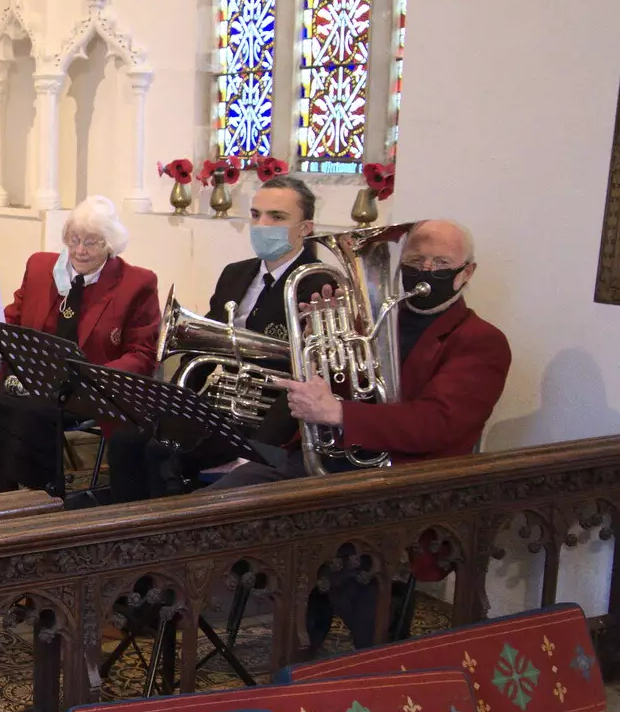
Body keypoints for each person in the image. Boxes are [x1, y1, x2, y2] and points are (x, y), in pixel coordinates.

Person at [208, 218, 511, 650]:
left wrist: (338, 411)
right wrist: (317, 344)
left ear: (467, 272)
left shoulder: (481, 341)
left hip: (401, 481)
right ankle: (293, 635)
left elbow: (438, 424)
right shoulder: (365, 319)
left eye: (441, 262)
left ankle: (378, 659)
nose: (426, 270)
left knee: (338, 547)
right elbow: (338, 387)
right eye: (415, 260)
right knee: (216, 505)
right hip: (328, 462)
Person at [106, 175, 332, 502]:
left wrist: (260, 449)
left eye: (277, 217)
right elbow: (202, 346)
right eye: (256, 215)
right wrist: (177, 403)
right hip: (217, 405)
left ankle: (167, 533)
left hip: (264, 420)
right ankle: (121, 528)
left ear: (306, 228)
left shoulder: (318, 285)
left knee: (162, 452)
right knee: (126, 439)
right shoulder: (235, 274)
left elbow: (309, 374)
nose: (262, 225)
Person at [0, 196, 161, 492]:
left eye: (92, 242)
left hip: (88, 390)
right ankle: (6, 494)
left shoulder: (136, 283)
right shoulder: (40, 268)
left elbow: (142, 354)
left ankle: (42, 496)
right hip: (33, 380)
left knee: (30, 414)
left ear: (110, 244)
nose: (79, 250)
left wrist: (92, 378)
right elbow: (13, 320)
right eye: (73, 239)